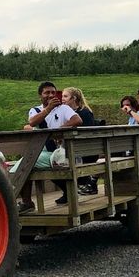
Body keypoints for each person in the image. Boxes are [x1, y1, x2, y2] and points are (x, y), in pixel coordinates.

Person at [12, 81, 83, 211]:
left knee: (25, 165)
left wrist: (60, 130)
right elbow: (32, 122)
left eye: (53, 92)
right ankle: (27, 202)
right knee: (25, 165)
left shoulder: (64, 108)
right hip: (43, 151)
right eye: (47, 93)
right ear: (40, 95)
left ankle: (25, 202)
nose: (50, 95)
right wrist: (48, 109)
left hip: (61, 152)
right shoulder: (35, 110)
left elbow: (77, 120)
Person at [62, 86, 98, 195]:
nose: (62, 99)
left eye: (65, 96)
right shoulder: (68, 112)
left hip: (87, 148)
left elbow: (87, 133)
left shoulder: (84, 112)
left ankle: (87, 184)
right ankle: (69, 191)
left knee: (68, 158)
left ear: (74, 98)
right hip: (74, 147)